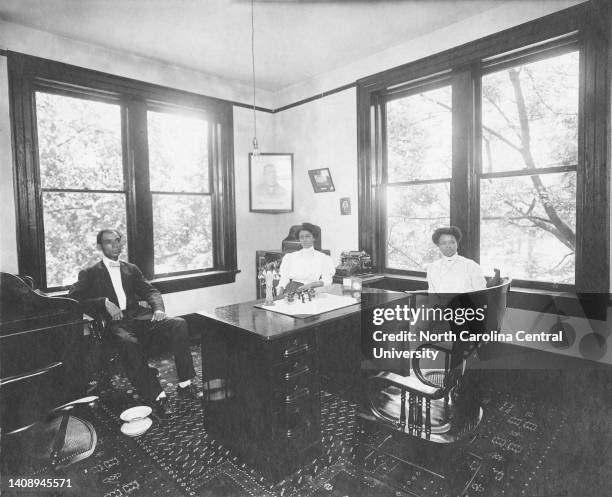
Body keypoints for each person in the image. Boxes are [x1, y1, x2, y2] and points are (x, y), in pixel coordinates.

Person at [68, 229, 201, 419]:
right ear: (99, 246)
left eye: (117, 241)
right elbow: (73, 300)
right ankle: (157, 396)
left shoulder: (131, 268)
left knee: (179, 323)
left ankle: (186, 383)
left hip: (138, 317)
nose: (115, 245)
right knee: (128, 343)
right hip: (114, 324)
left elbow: (151, 291)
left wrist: (158, 308)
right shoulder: (89, 273)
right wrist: (103, 303)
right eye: (109, 242)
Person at [277, 223, 335, 296]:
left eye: (307, 236)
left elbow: (327, 280)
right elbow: (284, 279)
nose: (304, 240)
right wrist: (279, 294)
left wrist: (311, 285)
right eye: (301, 237)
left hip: (312, 291)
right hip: (291, 291)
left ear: (314, 238)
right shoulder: (290, 257)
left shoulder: (324, 258)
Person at [427, 226, 486, 294]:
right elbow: (432, 296)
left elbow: (482, 294)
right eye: (444, 243)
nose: (448, 246)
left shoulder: (471, 266)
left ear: (457, 243)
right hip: (440, 304)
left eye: (452, 242)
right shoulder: (432, 268)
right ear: (438, 245)